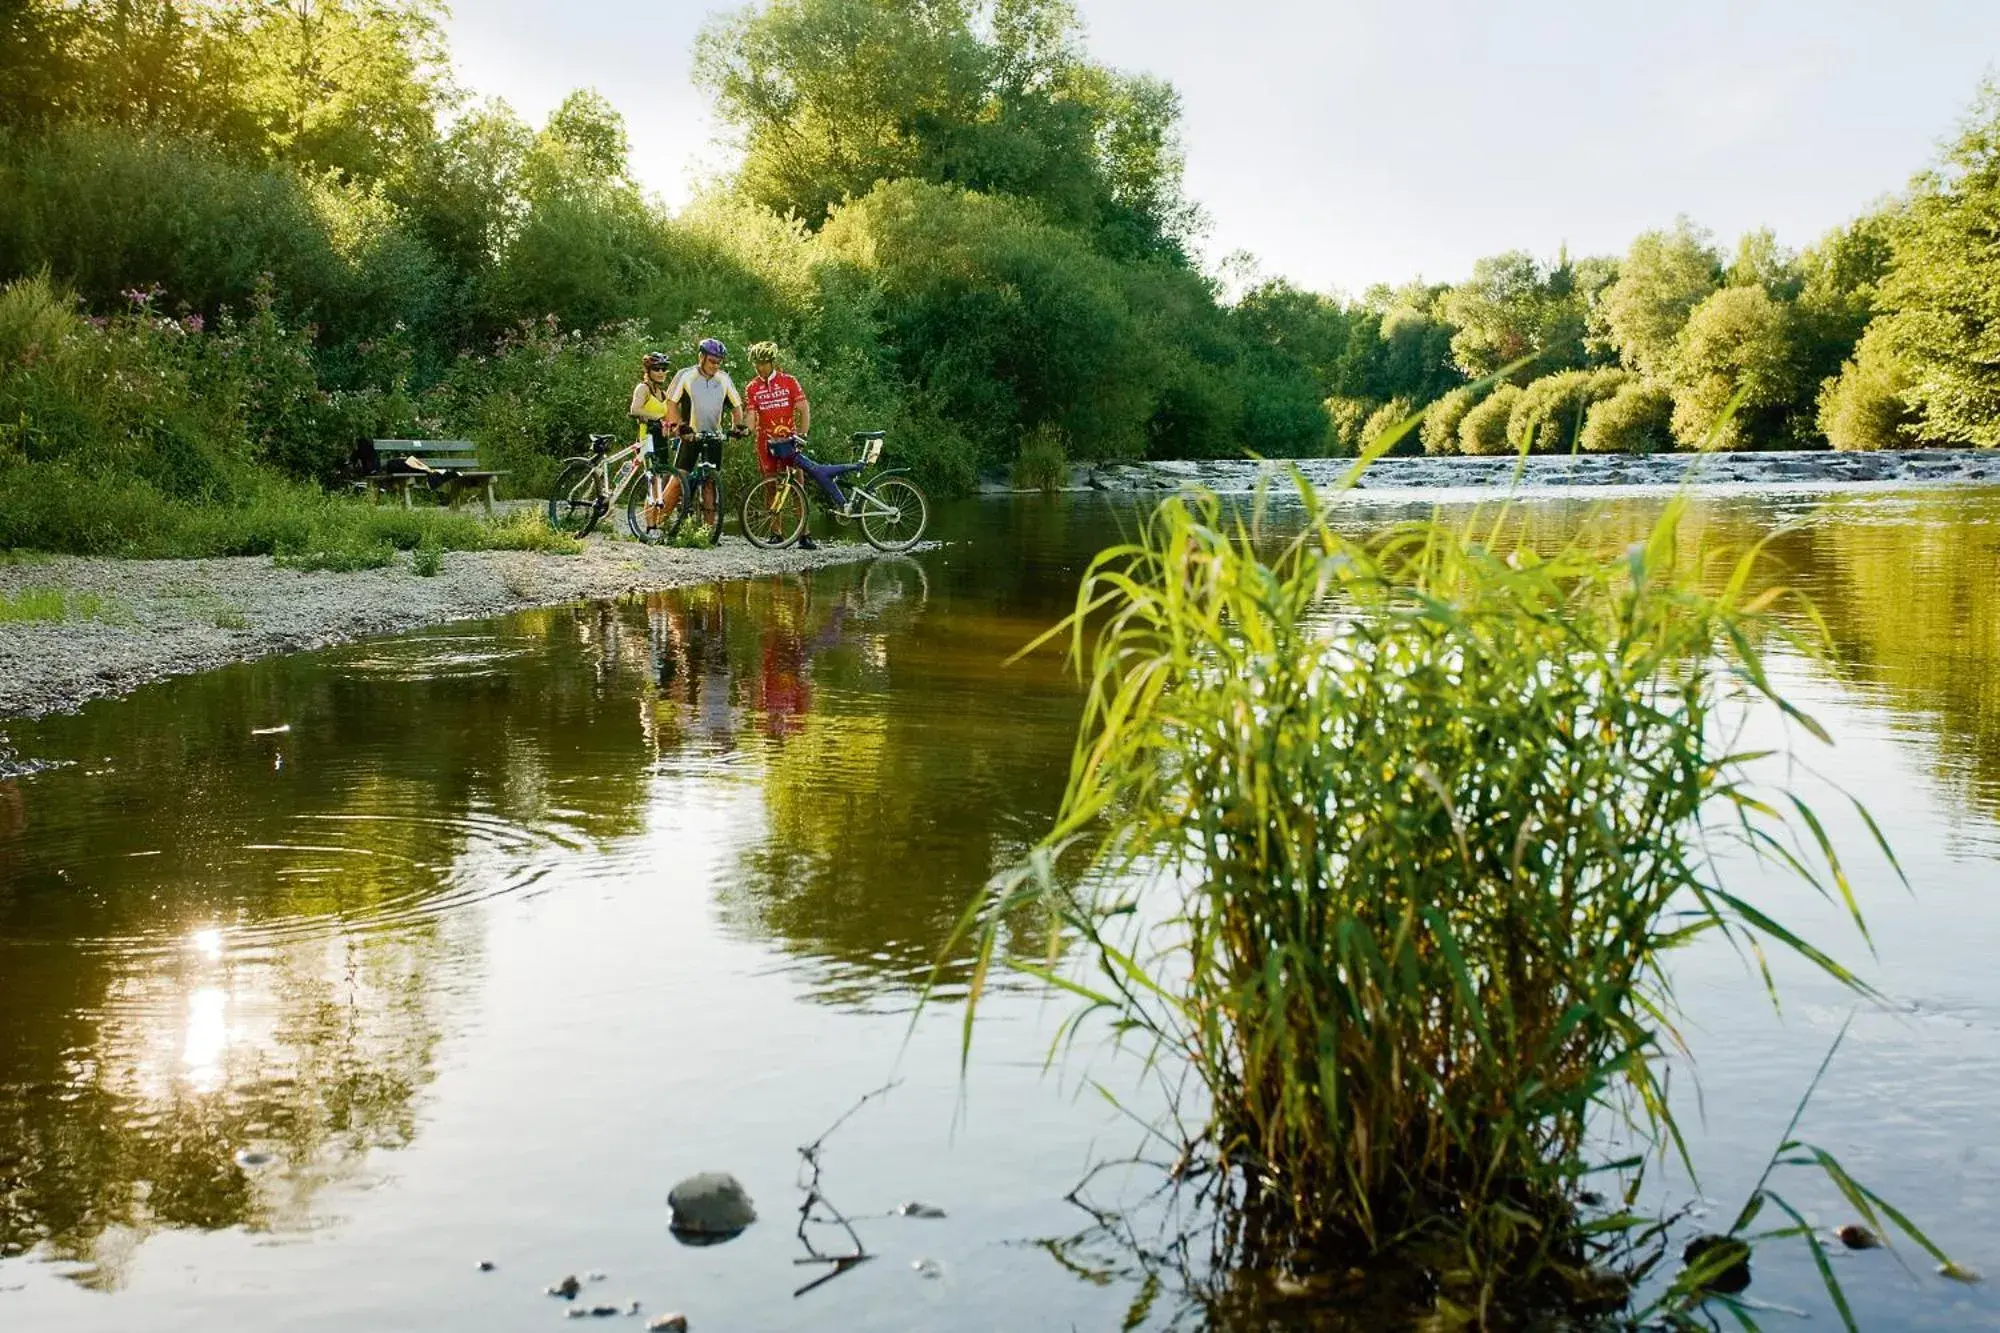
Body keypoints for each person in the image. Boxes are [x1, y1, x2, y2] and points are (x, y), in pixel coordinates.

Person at [660, 337, 744, 535]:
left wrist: (737, 427)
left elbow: (737, 407)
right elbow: (671, 404)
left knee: (710, 482)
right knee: (679, 479)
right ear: (701, 357)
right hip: (691, 435)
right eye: (712, 361)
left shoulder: (724, 379)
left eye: (718, 362)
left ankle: (707, 531)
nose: (715, 365)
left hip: (714, 436)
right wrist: (680, 427)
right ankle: (657, 524)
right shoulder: (686, 375)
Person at [742, 340, 817, 548]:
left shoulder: (789, 381)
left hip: (788, 440)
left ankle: (805, 534)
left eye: (763, 363)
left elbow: (803, 409)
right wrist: (745, 429)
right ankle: (776, 533)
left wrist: (802, 434)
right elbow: (751, 415)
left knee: (797, 485)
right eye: (756, 363)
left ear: (772, 362)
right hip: (765, 442)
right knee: (769, 486)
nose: (759, 367)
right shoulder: (752, 387)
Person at [629, 350, 676, 534]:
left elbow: (666, 418)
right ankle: (650, 527)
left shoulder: (663, 393)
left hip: (660, 439)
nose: (661, 372)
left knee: (660, 483)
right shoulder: (643, 389)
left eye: (664, 369)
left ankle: (656, 523)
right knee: (652, 481)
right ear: (648, 371)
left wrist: (670, 427)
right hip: (646, 439)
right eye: (657, 369)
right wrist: (656, 418)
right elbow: (635, 409)